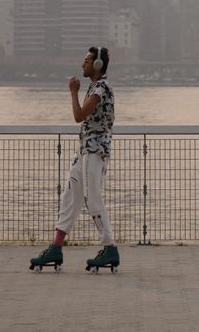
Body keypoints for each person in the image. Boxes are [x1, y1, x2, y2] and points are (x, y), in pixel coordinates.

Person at [30, 46, 119, 273]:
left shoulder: (101, 88)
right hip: (84, 151)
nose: (83, 64)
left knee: (92, 197)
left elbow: (79, 116)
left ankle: (110, 247)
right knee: (70, 196)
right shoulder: (94, 87)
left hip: (94, 151)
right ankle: (56, 246)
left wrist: (72, 91)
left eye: (87, 61)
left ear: (97, 65)